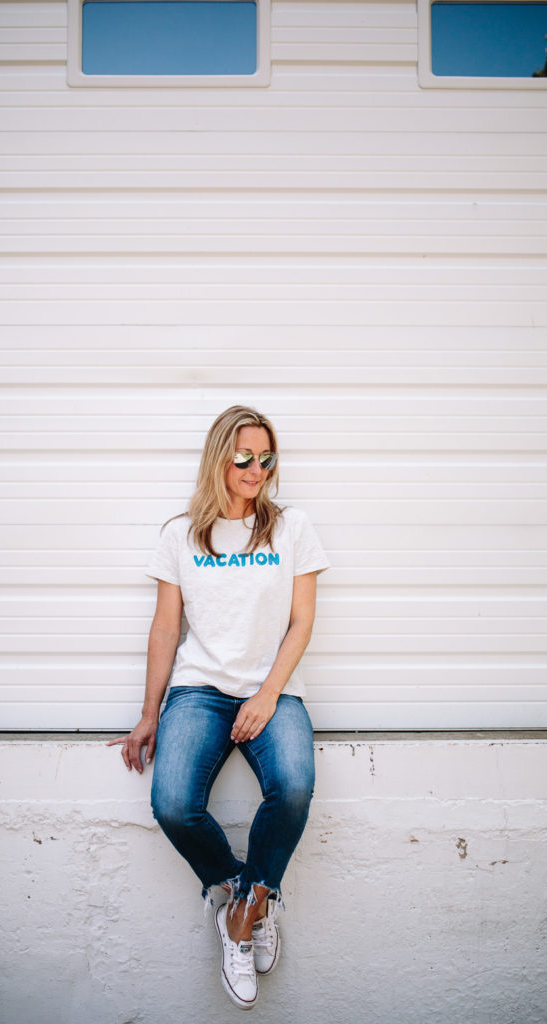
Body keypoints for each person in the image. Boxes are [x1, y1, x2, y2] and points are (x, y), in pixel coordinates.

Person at [108, 405, 329, 1010]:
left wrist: (266, 694)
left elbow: (303, 621)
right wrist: (150, 712)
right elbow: (164, 629)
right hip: (199, 688)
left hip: (274, 689)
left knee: (294, 786)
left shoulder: (291, 528)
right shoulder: (181, 534)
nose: (256, 469)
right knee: (174, 803)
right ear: (218, 460)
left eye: (266, 458)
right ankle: (239, 892)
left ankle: (252, 908)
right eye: (243, 458)